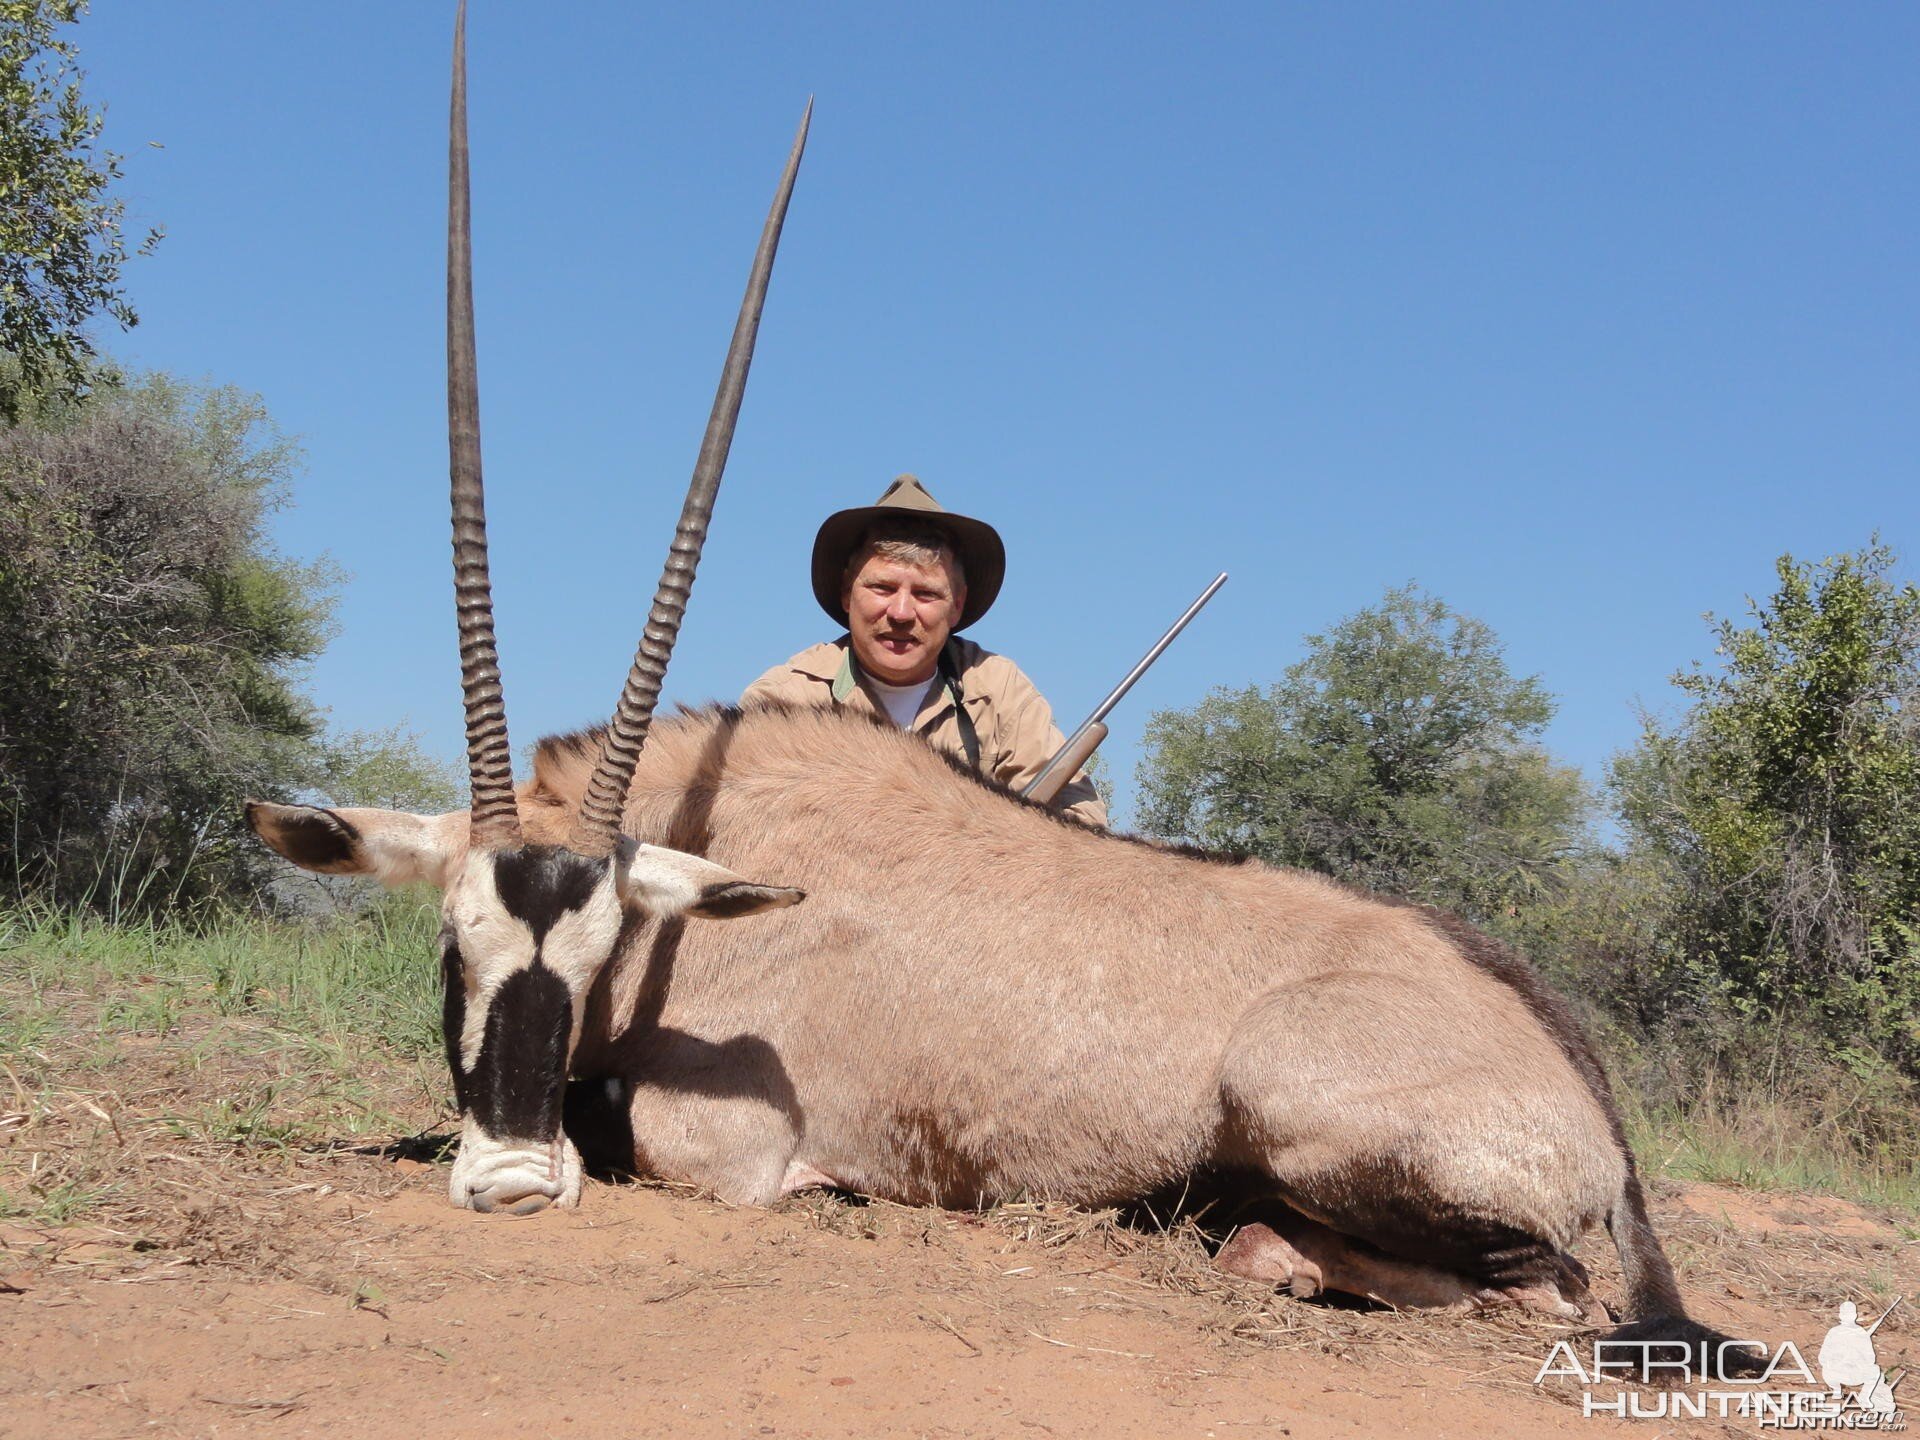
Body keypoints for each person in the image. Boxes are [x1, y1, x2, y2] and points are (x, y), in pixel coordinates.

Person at [742, 475, 1108, 828]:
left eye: (926, 594)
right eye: (882, 588)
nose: (901, 613)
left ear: (957, 606)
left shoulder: (1000, 688)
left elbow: (1083, 826)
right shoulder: (782, 701)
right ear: (846, 594)